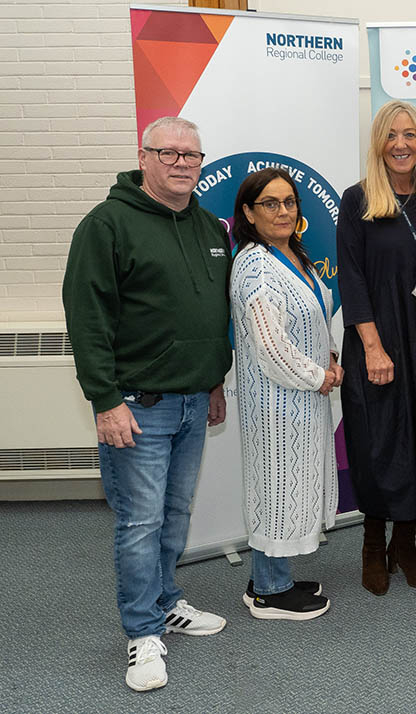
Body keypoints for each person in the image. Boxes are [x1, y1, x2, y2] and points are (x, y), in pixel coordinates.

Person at [62, 116, 231, 692]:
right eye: (169, 152)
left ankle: (165, 602)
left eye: (193, 154)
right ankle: (141, 634)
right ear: (144, 156)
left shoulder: (211, 226)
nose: (182, 162)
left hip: (191, 402)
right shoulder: (107, 225)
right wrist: (105, 400)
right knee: (139, 523)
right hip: (138, 405)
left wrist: (214, 382)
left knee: (175, 517)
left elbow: (212, 317)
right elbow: (87, 319)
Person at [337, 100, 416, 595]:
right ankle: (371, 542)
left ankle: (404, 545)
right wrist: (372, 346)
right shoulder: (357, 199)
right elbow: (352, 277)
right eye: (391, 135)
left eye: (410, 135)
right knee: (378, 442)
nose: (401, 144)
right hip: (377, 338)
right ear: (379, 144)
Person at [230, 168, 343, 621]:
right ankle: (269, 592)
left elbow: (313, 315)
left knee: (287, 488)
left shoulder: (290, 253)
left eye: (289, 202)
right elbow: (272, 346)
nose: (283, 211)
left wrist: (329, 357)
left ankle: (271, 576)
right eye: (270, 204)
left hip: (302, 398)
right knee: (277, 491)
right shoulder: (256, 265)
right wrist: (320, 376)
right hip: (278, 403)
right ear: (248, 213)